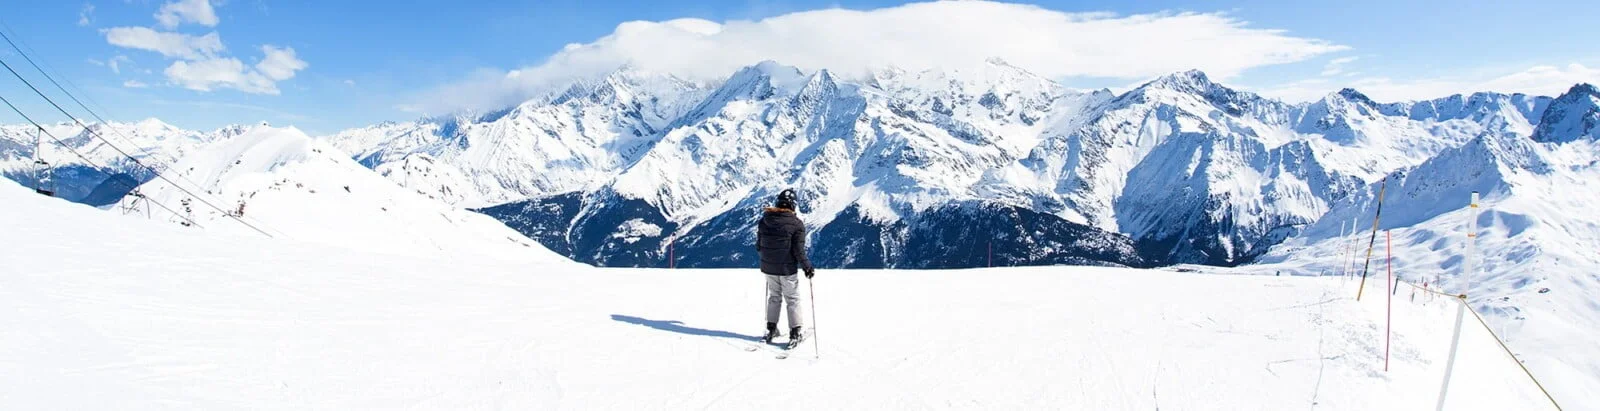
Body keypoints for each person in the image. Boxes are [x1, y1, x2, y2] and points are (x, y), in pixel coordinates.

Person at [756, 189, 815, 346]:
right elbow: (798, 250)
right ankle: (795, 332)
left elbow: (758, 245)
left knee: (774, 297)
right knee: (792, 299)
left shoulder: (764, 220)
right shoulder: (796, 224)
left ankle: (771, 329)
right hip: (787, 269)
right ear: (793, 205)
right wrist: (807, 267)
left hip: (768, 267)